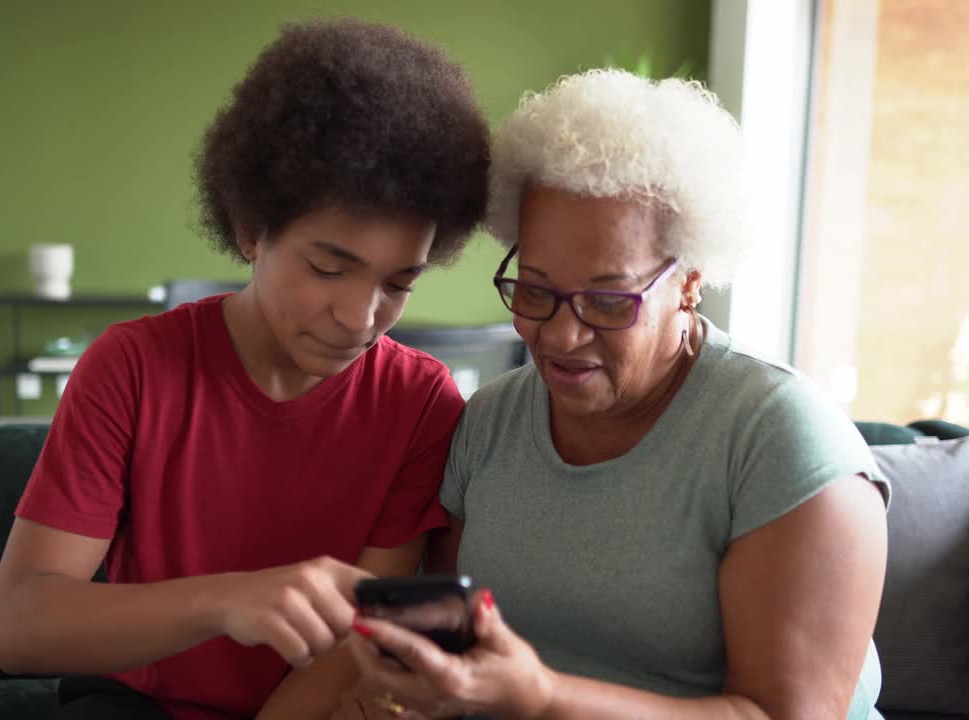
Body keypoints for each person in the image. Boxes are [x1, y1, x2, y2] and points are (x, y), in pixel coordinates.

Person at [340, 69, 890, 720]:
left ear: (689, 281)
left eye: (607, 300)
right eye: (536, 290)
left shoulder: (782, 440)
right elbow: (456, 643)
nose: (563, 335)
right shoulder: (490, 422)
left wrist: (543, 698)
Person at [0, 18, 491, 720]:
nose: (359, 316)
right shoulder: (131, 367)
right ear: (251, 228)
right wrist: (226, 600)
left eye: (398, 283)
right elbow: (16, 627)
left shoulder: (420, 401)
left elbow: (357, 643)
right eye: (327, 267)